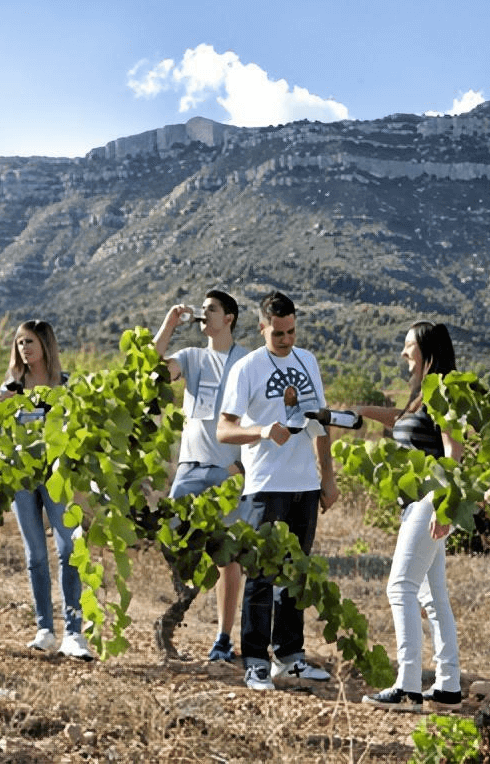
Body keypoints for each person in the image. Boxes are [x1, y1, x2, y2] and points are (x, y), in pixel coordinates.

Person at [217, 291, 338, 690]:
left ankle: (290, 657)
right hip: (265, 487)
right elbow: (224, 429)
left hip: (305, 484)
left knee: (296, 577)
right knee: (260, 576)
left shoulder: (309, 362)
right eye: (278, 333)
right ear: (262, 327)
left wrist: (328, 477)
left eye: (291, 332)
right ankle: (254, 660)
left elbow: (320, 423)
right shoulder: (248, 368)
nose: (286, 340)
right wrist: (261, 431)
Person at [359, 322, 462, 711]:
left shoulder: (442, 392)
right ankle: (448, 685)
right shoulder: (422, 396)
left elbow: (455, 452)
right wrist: (361, 412)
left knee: (399, 587)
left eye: (409, 347)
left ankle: (407, 687)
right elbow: (401, 420)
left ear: (427, 352)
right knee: (432, 595)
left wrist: (446, 505)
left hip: (430, 499)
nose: (403, 353)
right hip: (419, 503)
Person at [153, 290, 249, 662]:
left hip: (230, 472)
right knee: (172, 537)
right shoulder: (191, 358)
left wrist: (238, 469)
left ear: (229, 318)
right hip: (190, 469)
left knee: (230, 556)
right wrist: (169, 325)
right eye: (203, 310)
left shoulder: (247, 361)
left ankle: (223, 638)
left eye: (212, 310)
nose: (204, 315)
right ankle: (180, 604)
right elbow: (152, 370)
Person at [0, 320, 95, 660]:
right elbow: (1, 436)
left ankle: (74, 633)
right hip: (23, 480)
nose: (24, 348)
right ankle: (44, 629)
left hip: (59, 478)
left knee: (69, 548)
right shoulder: (10, 388)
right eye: (20, 342)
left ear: (45, 345)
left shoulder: (67, 386)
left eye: (30, 342)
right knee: (36, 554)